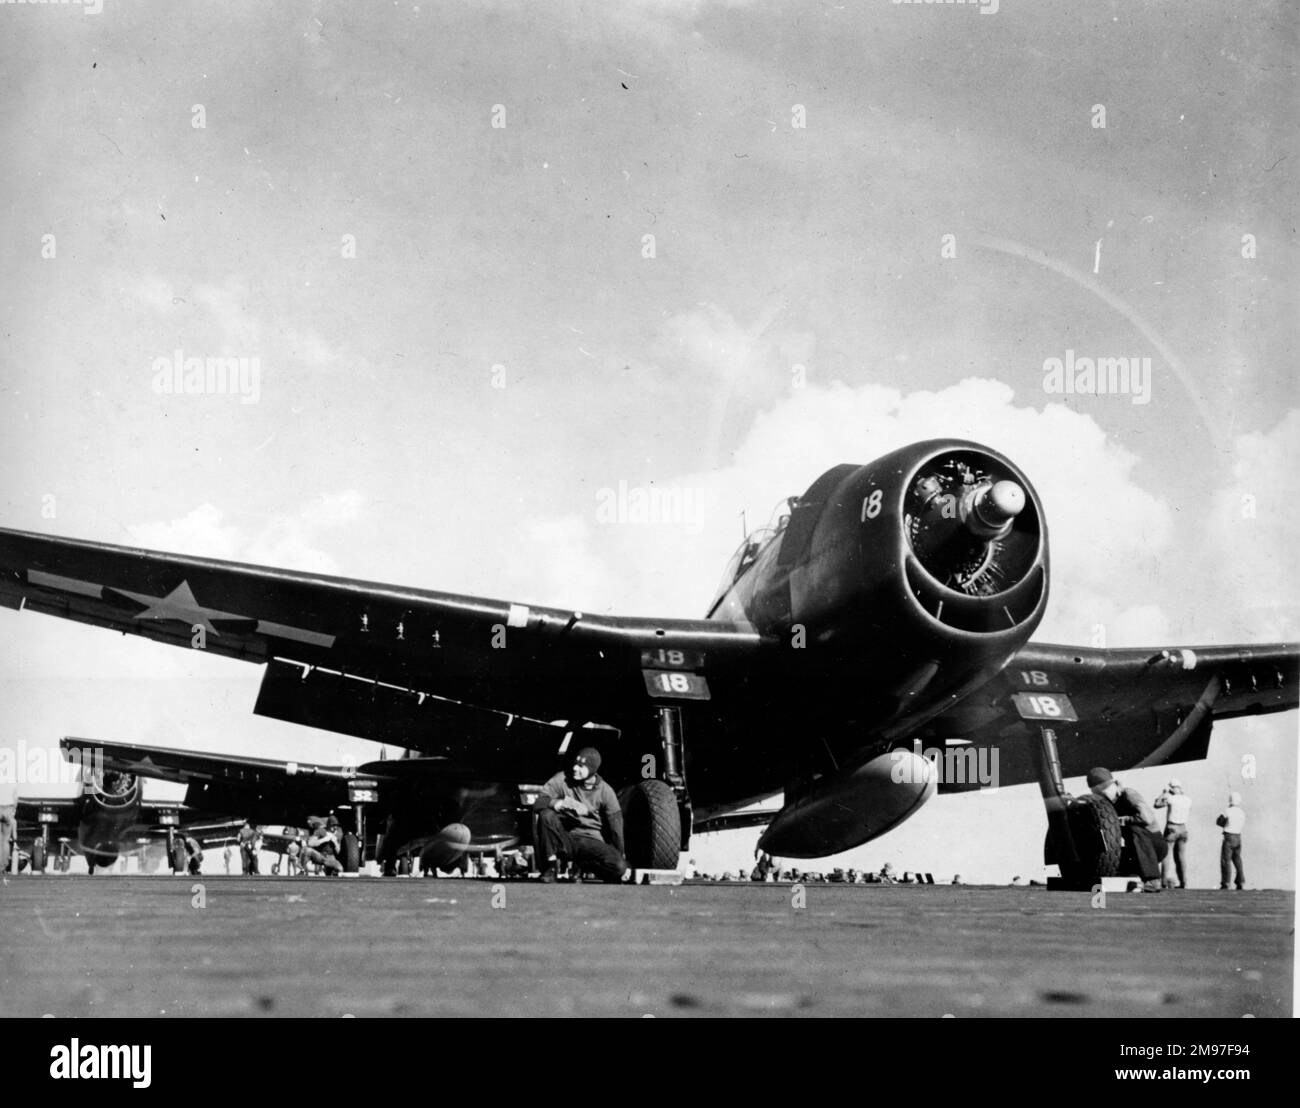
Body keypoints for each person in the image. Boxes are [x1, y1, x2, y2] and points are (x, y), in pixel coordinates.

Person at [532, 747, 627, 883]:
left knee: (619, 867)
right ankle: (550, 868)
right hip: (565, 838)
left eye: (581, 766)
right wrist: (556, 803)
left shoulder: (606, 792)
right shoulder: (562, 779)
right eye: (575, 764)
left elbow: (616, 828)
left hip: (591, 841)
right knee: (546, 815)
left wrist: (619, 855)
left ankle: (585, 866)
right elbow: (538, 803)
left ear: (592, 769)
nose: (575, 768)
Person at [1087, 767, 1167, 892]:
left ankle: (1152, 879)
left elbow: (1147, 818)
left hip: (1154, 846)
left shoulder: (1129, 794)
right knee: (1107, 861)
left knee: (1133, 829)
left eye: (1104, 792)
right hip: (1136, 850)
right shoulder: (1109, 802)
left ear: (1115, 785)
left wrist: (1117, 820)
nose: (1103, 797)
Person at [1154, 779, 1192, 888]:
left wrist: (1164, 793)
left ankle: (1164, 882)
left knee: (1166, 855)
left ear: (1172, 788)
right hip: (1183, 829)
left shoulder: (1170, 799)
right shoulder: (1188, 800)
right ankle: (1183, 882)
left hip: (1171, 828)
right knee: (1181, 857)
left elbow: (1156, 804)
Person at [1216, 792, 1246, 890]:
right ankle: (1240, 881)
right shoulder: (1242, 812)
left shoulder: (1227, 811)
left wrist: (1221, 816)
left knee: (1226, 860)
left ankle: (1226, 882)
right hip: (1238, 837)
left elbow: (1219, 822)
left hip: (1229, 836)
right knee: (1237, 860)